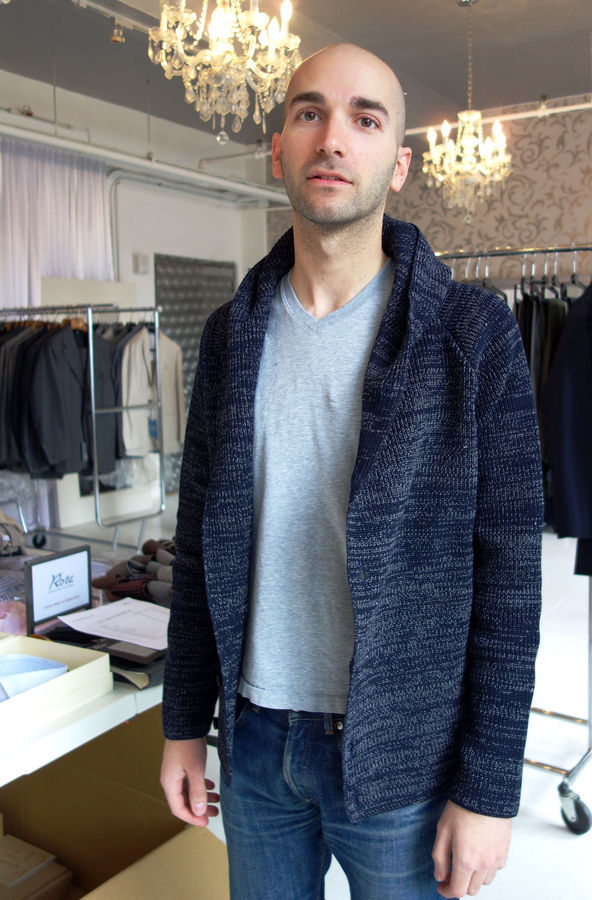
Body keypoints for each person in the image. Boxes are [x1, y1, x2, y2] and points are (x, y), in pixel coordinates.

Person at [160, 43, 543, 900]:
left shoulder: (472, 334)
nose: (333, 137)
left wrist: (488, 789)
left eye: (365, 119)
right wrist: (184, 724)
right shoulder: (230, 335)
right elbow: (198, 547)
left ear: (398, 164)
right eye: (310, 113)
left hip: (406, 753)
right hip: (255, 743)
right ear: (279, 149)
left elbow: (510, 582)